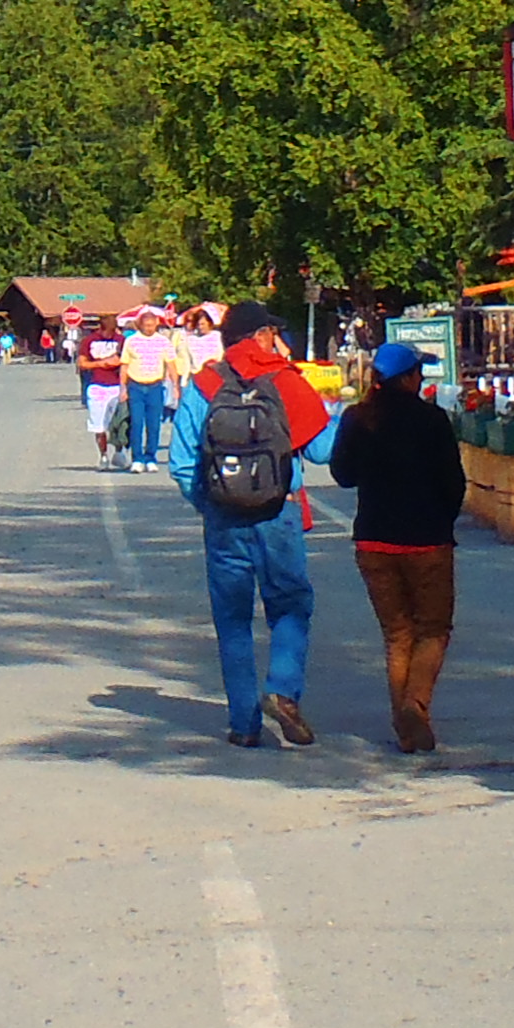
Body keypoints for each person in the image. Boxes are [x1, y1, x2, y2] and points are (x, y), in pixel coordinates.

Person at [170, 300, 338, 748]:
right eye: (272, 333)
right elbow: (323, 450)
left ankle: (244, 723)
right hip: (279, 513)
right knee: (290, 605)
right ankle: (282, 689)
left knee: (232, 619)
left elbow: (182, 464)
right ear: (260, 336)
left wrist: (213, 504)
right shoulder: (284, 379)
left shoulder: (203, 385)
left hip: (224, 518)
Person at [325, 340, 467, 751]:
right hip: (427, 540)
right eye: (417, 372)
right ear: (407, 378)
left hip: (373, 540)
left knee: (397, 634)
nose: (420, 378)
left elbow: (342, 475)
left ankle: (406, 729)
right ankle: (415, 705)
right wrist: (443, 520)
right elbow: (453, 482)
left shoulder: (357, 418)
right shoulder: (432, 419)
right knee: (433, 629)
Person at [119, 310, 176, 472]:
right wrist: (123, 388)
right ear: (141, 325)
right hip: (135, 386)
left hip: (155, 386)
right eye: (146, 325)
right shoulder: (131, 341)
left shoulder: (163, 341)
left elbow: (171, 365)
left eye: (152, 325)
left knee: (154, 425)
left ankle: (151, 457)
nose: (149, 328)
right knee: (136, 423)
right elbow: (124, 365)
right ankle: (137, 458)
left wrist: (176, 387)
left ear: (156, 324)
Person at [75, 312, 130, 466]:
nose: (109, 334)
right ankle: (103, 455)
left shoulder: (122, 341)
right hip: (97, 385)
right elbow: (82, 363)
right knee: (98, 424)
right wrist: (101, 363)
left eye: (112, 331)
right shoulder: (89, 340)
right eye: (106, 331)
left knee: (119, 421)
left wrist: (118, 364)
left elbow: (127, 361)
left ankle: (119, 451)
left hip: (117, 385)